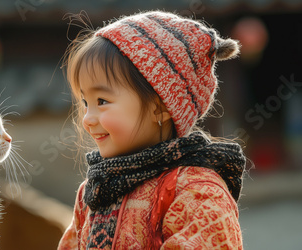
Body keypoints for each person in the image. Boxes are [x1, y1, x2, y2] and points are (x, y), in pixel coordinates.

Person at [58, 11, 247, 249]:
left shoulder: (197, 193)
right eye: (86, 103)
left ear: (160, 107)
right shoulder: (95, 190)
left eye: (102, 101)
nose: (87, 119)